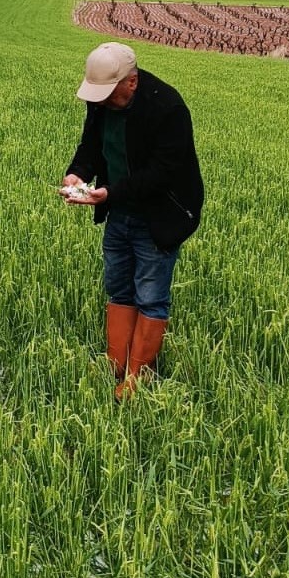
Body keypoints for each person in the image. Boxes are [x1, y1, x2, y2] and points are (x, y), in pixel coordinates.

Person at [61, 42, 204, 401]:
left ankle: (140, 373)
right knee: (118, 285)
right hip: (120, 211)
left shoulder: (167, 108)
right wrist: (77, 175)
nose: (103, 102)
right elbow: (91, 145)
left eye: (109, 94)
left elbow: (161, 173)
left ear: (132, 82)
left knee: (151, 295)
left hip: (159, 214)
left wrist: (110, 192)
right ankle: (116, 360)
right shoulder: (103, 102)